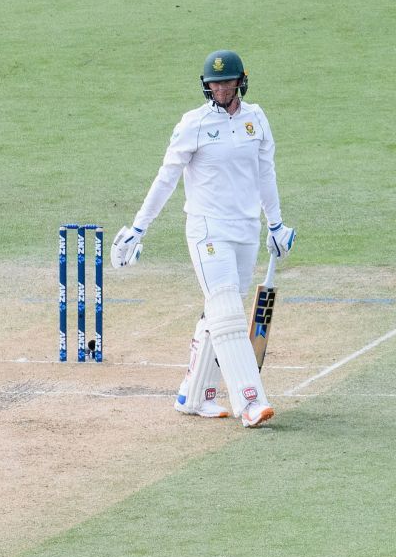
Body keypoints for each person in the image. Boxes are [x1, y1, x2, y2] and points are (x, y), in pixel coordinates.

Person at [113, 50, 292, 428]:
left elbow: (266, 173)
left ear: (241, 81)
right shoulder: (193, 123)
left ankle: (194, 395)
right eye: (214, 83)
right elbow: (166, 177)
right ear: (205, 86)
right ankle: (250, 399)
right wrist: (138, 227)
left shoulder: (256, 119)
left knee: (219, 309)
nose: (221, 88)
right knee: (226, 307)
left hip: (246, 229)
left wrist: (276, 224)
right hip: (207, 229)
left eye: (227, 82)